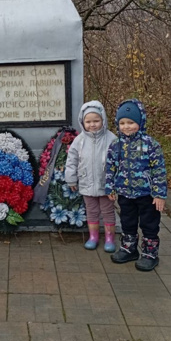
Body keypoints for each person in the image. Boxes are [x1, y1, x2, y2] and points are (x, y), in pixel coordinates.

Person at [105, 99, 167, 271]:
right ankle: (129, 248)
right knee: (127, 222)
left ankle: (149, 253)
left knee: (149, 224)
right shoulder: (116, 145)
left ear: (140, 122)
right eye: (122, 123)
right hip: (125, 193)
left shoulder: (151, 145)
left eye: (131, 122)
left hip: (147, 195)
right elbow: (110, 167)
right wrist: (110, 187)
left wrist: (160, 194)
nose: (127, 127)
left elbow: (159, 170)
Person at [65, 101, 117, 251]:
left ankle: (109, 238)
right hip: (86, 182)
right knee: (92, 211)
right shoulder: (79, 140)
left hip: (106, 185)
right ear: (82, 122)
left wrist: (114, 183)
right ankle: (93, 236)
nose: (92, 125)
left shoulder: (111, 139)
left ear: (103, 120)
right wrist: (71, 178)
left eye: (96, 121)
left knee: (108, 212)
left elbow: (118, 162)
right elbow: (72, 160)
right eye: (88, 121)